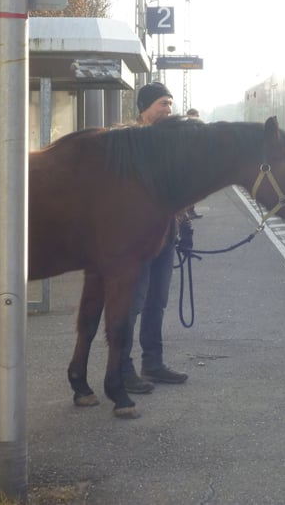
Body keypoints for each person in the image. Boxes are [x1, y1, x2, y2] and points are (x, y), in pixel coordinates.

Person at [121, 81, 192, 393]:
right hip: (137, 238)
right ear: (144, 109)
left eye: (170, 104)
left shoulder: (170, 144)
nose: (168, 110)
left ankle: (153, 363)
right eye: (162, 103)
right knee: (132, 303)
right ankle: (122, 368)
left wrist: (185, 227)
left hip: (166, 233)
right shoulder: (129, 142)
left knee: (156, 302)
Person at [184, 107, 203, 219]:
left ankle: (191, 211)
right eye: (196, 115)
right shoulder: (188, 127)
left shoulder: (196, 126)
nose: (198, 117)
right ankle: (187, 212)